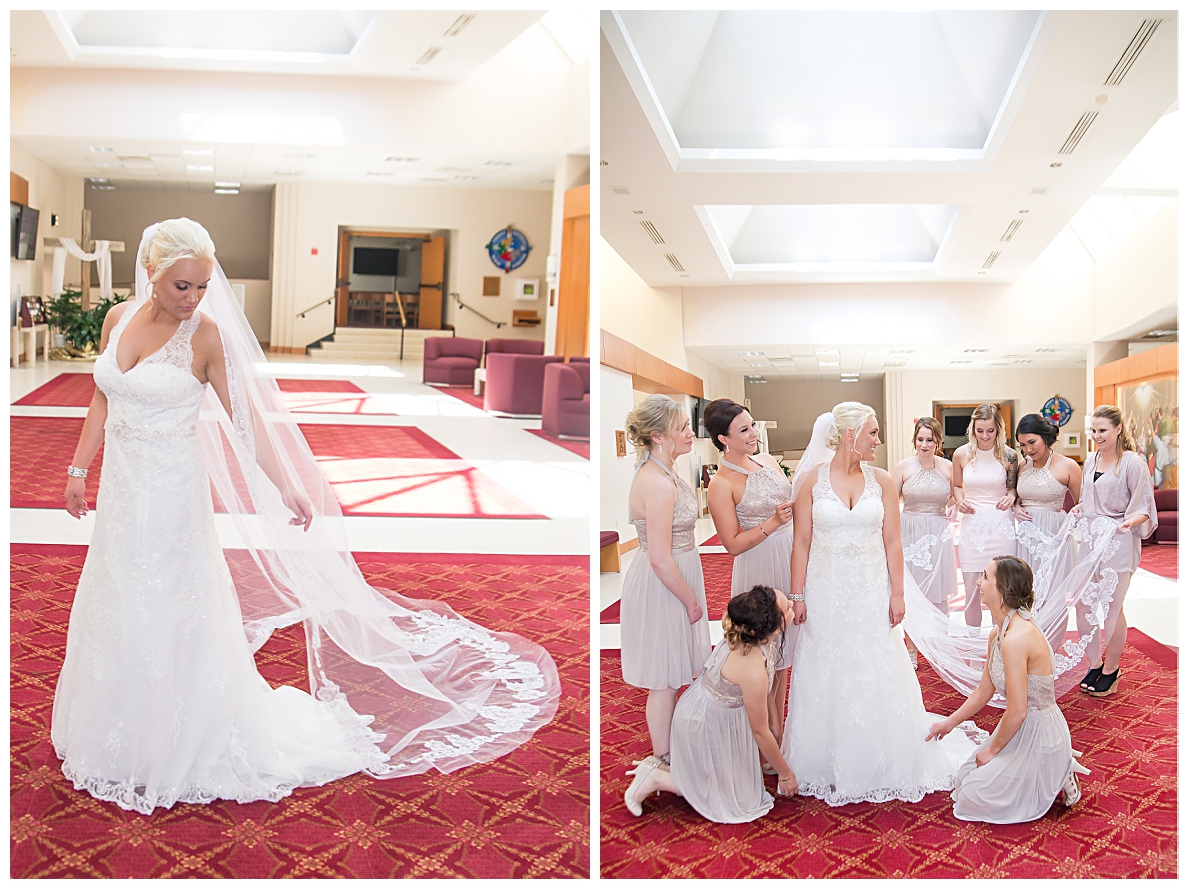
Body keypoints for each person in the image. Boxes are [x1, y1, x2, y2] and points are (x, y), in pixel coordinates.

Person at [53, 219, 560, 814]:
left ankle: (183, 728)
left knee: (169, 596)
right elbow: (102, 397)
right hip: (122, 490)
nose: (192, 300)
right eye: (181, 287)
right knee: (118, 594)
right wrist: (79, 470)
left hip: (170, 495)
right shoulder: (117, 320)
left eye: (202, 287)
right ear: (150, 274)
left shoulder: (206, 337)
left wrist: (288, 487)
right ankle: (121, 724)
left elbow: (249, 425)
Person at [780, 403, 982, 806]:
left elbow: (892, 540)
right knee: (828, 664)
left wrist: (898, 593)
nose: (878, 440)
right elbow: (801, 541)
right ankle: (823, 759)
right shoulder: (812, 483)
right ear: (851, 435)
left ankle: (881, 753)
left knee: (875, 661)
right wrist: (797, 594)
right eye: (873, 433)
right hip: (826, 589)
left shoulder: (884, 481)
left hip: (871, 588)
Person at [928, 556, 1088, 823]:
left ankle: (1057, 765)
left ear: (1003, 590)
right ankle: (1048, 766)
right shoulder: (998, 633)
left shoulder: (1017, 638)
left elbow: (1018, 711)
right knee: (965, 779)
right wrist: (949, 723)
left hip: (1039, 731)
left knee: (974, 796)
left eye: (986, 577)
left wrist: (991, 751)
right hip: (1015, 728)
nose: (978, 582)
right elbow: (984, 691)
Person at [624, 585, 798, 822]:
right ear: (777, 627)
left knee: (742, 782)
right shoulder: (751, 668)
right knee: (729, 796)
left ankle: (691, 770)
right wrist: (785, 774)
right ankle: (657, 778)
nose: (792, 606)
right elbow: (759, 730)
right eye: (788, 606)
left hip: (722, 713)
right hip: (705, 722)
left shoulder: (755, 634)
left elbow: (766, 695)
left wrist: (775, 725)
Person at [620, 394, 712, 770]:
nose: (691, 433)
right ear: (659, 435)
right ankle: (663, 758)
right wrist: (691, 600)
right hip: (665, 582)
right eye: (682, 428)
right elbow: (659, 557)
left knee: (675, 669)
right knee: (664, 675)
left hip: (677, 571)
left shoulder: (665, 470)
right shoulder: (657, 481)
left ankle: (671, 748)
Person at [704, 398, 795, 725]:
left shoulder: (768, 460)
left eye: (752, 425)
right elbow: (732, 544)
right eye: (744, 429)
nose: (754, 433)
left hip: (788, 555)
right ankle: (764, 738)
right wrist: (772, 523)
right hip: (759, 561)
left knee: (784, 656)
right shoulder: (721, 484)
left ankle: (780, 731)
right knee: (764, 656)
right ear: (724, 439)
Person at [1070, 405, 1157, 698]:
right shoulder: (1092, 460)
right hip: (1091, 542)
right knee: (1083, 605)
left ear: (1118, 429)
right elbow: (1087, 498)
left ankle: (1112, 669)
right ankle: (1095, 663)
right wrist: (1082, 509)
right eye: (1093, 431)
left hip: (1118, 541)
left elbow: (1144, 506)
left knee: (1111, 608)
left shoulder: (1133, 463)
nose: (1096, 436)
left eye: (1102, 431)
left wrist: (1131, 521)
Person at [891, 417, 956, 666]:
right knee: (911, 593)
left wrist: (953, 507)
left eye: (930, 440)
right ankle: (911, 649)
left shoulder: (948, 467)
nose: (925, 444)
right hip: (910, 532)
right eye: (920, 439)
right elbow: (891, 502)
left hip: (938, 532)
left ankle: (942, 648)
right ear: (914, 440)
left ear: (938, 441)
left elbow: (955, 497)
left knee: (940, 595)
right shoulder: (903, 467)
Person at [952, 404, 1018, 629]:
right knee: (971, 591)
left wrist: (1011, 495)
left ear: (998, 429)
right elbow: (958, 486)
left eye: (990, 430)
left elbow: (1012, 488)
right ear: (973, 429)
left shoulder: (1009, 455)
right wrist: (960, 501)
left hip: (1001, 525)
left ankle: (1000, 645)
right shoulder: (961, 454)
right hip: (972, 527)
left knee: (1001, 592)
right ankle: (973, 649)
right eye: (980, 431)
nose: (985, 436)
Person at [1013, 413, 1081, 572]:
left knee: (1052, 587)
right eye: (1022, 445)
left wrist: (1066, 529)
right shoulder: (1023, 465)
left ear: (1045, 437)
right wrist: (1016, 508)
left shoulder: (1069, 466)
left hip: (1054, 532)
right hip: (1026, 534)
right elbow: (1016, 497)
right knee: (1028, 586)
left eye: (1032, 442)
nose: (1028, 449)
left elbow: (1082, 504)